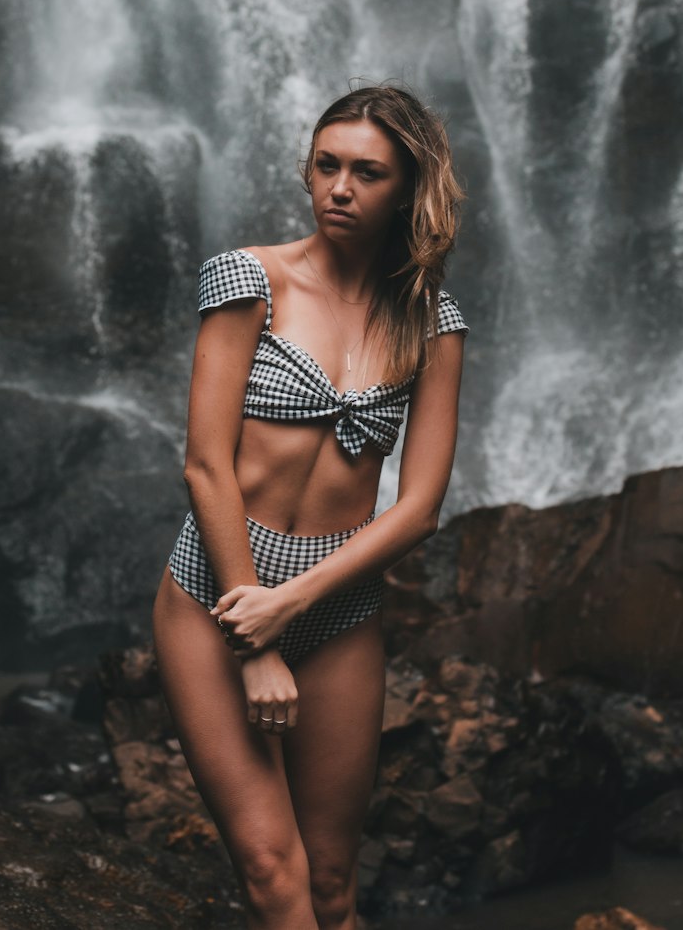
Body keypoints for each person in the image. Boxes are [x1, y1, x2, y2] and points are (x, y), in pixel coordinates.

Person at [152, 84, 467, 930]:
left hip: (338, 607)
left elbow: (422, 506)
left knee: (332, 885)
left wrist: (290, 607)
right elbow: (206, 466)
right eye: (327, 166)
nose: (339, 188)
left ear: (407, 188)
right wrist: (251, 635)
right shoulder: (250, 279)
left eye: (367, 173)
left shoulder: (432, 321)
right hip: (217, 596)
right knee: (272, 875)